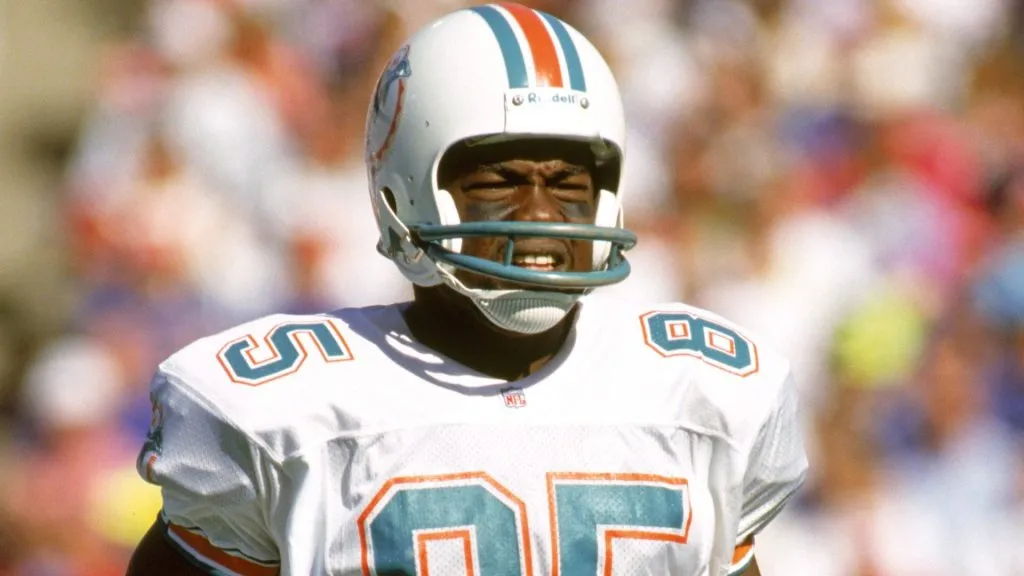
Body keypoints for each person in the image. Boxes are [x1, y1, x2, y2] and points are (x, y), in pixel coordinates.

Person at [126, 3, 807, 575]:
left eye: (568, 183)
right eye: (500, 180)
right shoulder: (277, 410)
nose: (541, 215)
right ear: (407, 187)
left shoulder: (702, 392)